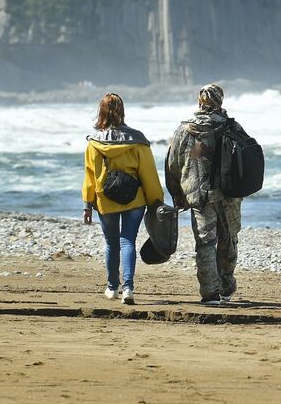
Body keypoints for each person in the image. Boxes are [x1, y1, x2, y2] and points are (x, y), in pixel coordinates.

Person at [82, 93, 164, 305]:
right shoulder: (138, 141)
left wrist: (87, 205)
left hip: (105, 200)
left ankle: (112, 287)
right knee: (128, 241)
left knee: (111, 243)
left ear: (101, 112)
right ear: (122, 111)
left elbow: (90, 176)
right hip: (134, 200)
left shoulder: (93, 143)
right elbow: (149, 174)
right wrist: (156, 200)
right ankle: (128, 288)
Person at [166, 84, 244, 305]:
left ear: (200, 101)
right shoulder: (232, 127)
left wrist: (177, 194)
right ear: (220, 101)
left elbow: (173, 163)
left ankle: (210, 292)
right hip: (229, 195)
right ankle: (227, 286)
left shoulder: (184, 130)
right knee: (229, 240)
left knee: (205, 242)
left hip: (198, 194)